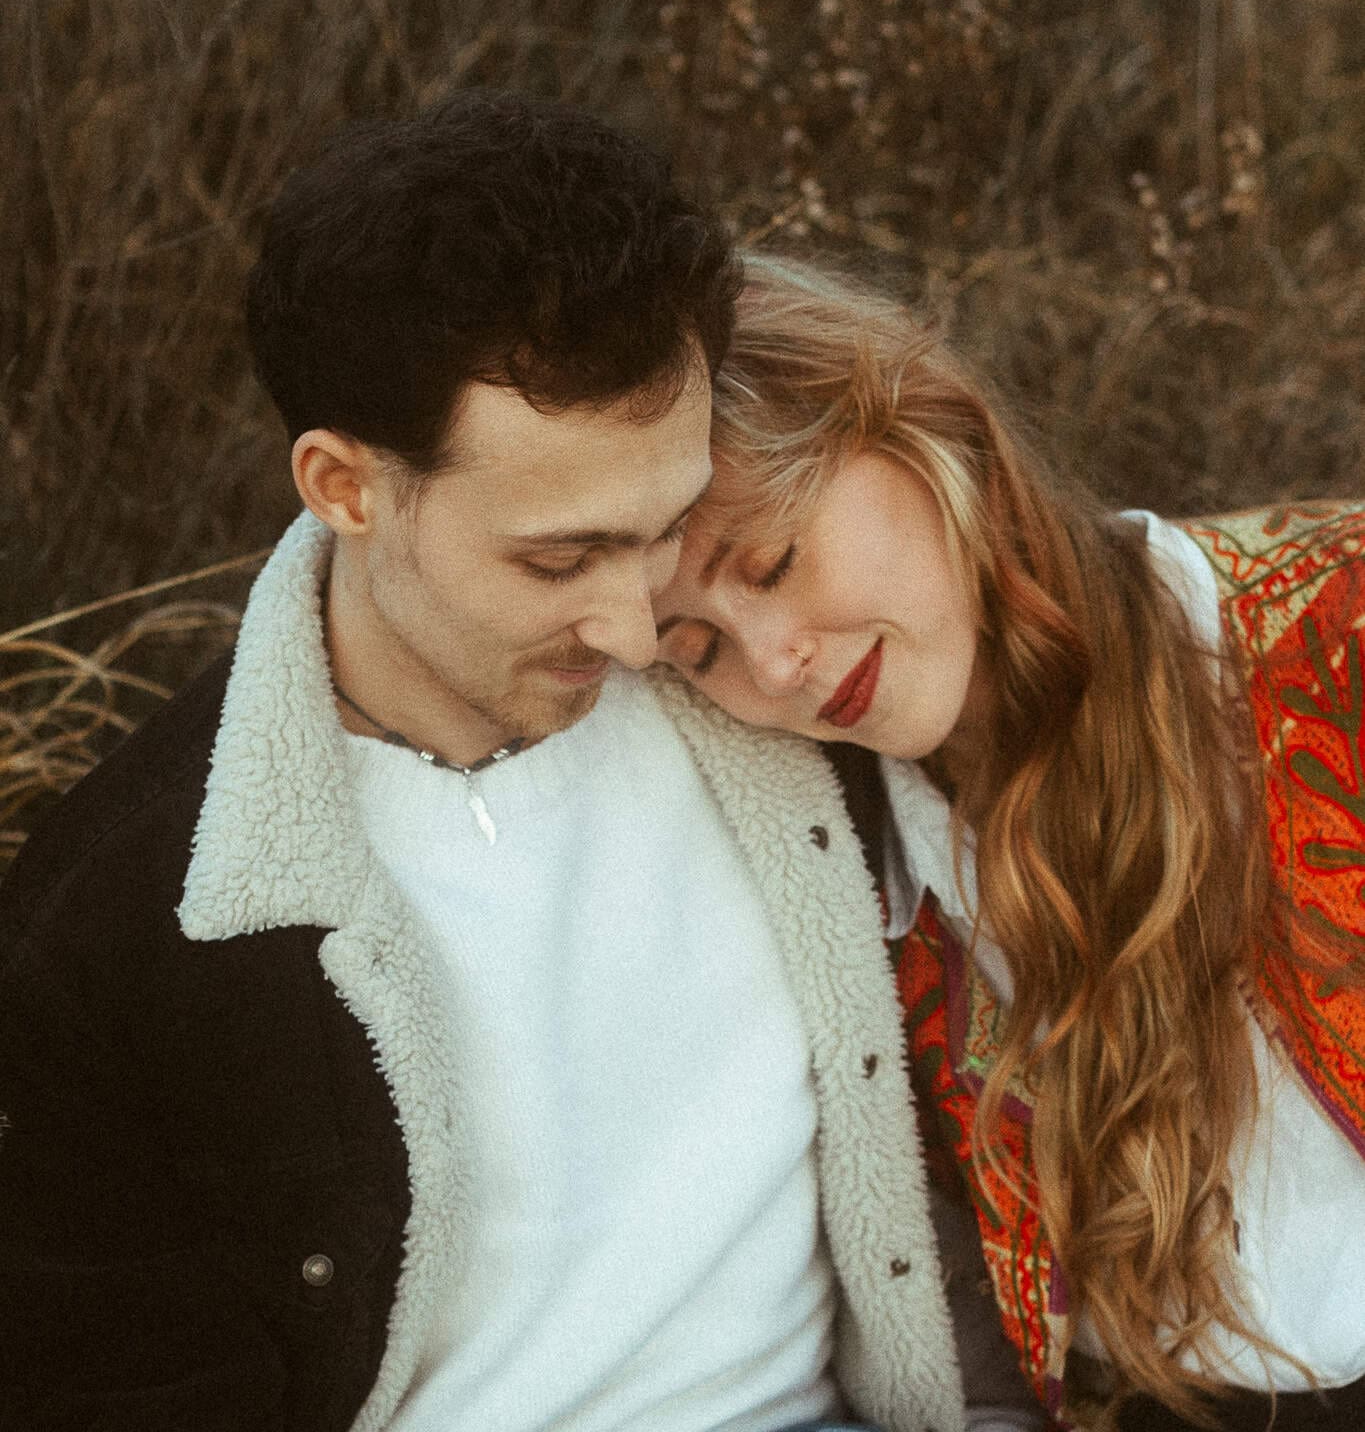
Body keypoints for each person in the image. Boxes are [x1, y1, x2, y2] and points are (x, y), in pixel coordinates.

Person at [0, 95, 977, 1432]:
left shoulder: (781, 706)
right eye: (559, 559)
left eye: (667, 523)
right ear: (346, 488)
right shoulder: (136, 920)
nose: (638, 628)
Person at [653, 251, 1365, 1432]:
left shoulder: (1330, 631)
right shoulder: (857, 912)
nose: (774, 658)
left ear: (918, 427)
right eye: (700, 648)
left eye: (775, 561)